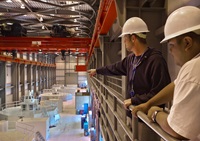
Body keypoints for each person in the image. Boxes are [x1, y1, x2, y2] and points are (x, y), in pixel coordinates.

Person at [88, 17, 171, 141]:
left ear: (133, 38)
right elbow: (114, 68)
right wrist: (97, 71)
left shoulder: (155, 61)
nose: (124, 41)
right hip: (131, 113)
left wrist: (134, 100)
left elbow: (160, 94)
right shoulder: (131, 60)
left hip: (146, 119)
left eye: (125, 38)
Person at [131, 6, 200, 140]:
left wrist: (155, 113)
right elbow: (177, 84)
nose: (170, 52)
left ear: (187, 43)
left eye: (171, 45)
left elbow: (176, 129)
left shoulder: (194, 68)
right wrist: (148, 104)